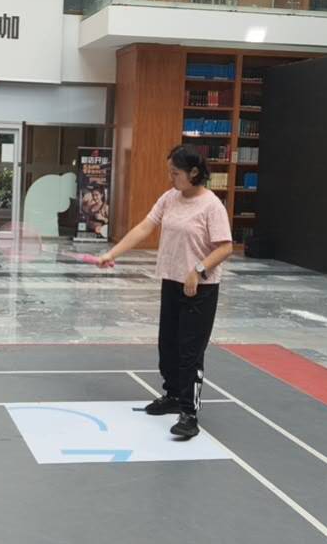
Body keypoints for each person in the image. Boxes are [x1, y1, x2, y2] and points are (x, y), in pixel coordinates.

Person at [98, 145, 233, 439]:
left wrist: (198, 270)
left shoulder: (212, 205)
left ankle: (189, 414)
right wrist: (112, 253)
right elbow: (144, 228)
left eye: (175, 173)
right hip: (171, 282)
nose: (170, 178)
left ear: (193, 173)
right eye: (169, 172)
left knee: (190, 352)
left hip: (200, 288)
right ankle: (172, 396)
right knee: (168, 346)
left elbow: (225, 247)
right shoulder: (170, 198)